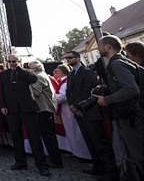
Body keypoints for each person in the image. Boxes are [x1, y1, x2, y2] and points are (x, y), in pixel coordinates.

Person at [95, 35, 144, 180]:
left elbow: (131, 89)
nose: (98, 48)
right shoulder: (122, 61)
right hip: (131, 115)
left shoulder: (117, 63)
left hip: (131, 117)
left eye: (99, 45)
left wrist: (107, 100)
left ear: (108, 47)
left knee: (139, 155)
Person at [64, 50, 118, 178]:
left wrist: (77, 106)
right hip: (78, 112)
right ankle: (98, 166)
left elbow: (88, 91)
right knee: (89, 141)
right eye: (66, 58)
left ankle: (111, 170)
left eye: (70, 58)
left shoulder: (88, 72)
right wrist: (73, 107)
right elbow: (69, 92)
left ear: (77, 58)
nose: (68, 60)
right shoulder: (71, 75)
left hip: (90, 111)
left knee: (99, 142)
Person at [0, 54, 50, 176]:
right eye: (9, 61)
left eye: (14, 61)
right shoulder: (4, 74)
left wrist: (19, 68)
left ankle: (42, 165)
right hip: (12, 110)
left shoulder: (26, 72)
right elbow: (1, 91)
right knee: (16, 137)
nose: (11, 63)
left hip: (27, 108)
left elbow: (33, 80)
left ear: (19, 61)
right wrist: (3, 106)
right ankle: (20, 161)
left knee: (34, 137)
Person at [28, 60, 62, 168]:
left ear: (34, 68)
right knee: (49, 135)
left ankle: (55, 160)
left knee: (47, 135)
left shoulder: (38, 77)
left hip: (43, 109)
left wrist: (28, 86)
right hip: (45, 108)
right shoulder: (41, 75)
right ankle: (55, 158)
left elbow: (36, 93)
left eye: (30, 67)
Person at [53, 64, 91, 160]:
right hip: (65, 110)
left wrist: (52, 98)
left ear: (61, 72)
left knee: (75, 132)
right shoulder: (63, 81)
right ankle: (76, 152)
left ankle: (83, 154)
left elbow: (63, 96)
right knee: (71, 132)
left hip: (69, 110)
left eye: (56, 71)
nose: (55, 73)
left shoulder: (66, 82)